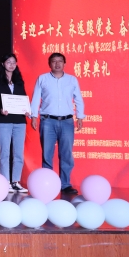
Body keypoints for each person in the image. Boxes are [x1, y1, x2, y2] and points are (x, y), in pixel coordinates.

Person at [30, 53, 85, 195]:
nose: (57, 64)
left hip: (67, 121)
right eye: (54, 61)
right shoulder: (42, 78)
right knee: (47, 154)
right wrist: (34, 115)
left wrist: (80, 116)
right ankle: (47, 183)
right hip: (48, 120)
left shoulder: (72, 80)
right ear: (49, 64)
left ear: (64, 63)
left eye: (60, 61)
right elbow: (36, 98)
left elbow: (78, 98)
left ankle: (65, 184)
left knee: (66, 154)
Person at [0, 53, 29, 193]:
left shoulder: (19, 81)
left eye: (13, 62)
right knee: (5, 153)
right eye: (8, 62)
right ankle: (5, 181)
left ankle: (16, 181)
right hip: (4, 121)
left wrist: (26, 110)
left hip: (19, 121)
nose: (11, 65)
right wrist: (0, 110)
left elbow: (23, 99)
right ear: (3, 64)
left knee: (19, 153)